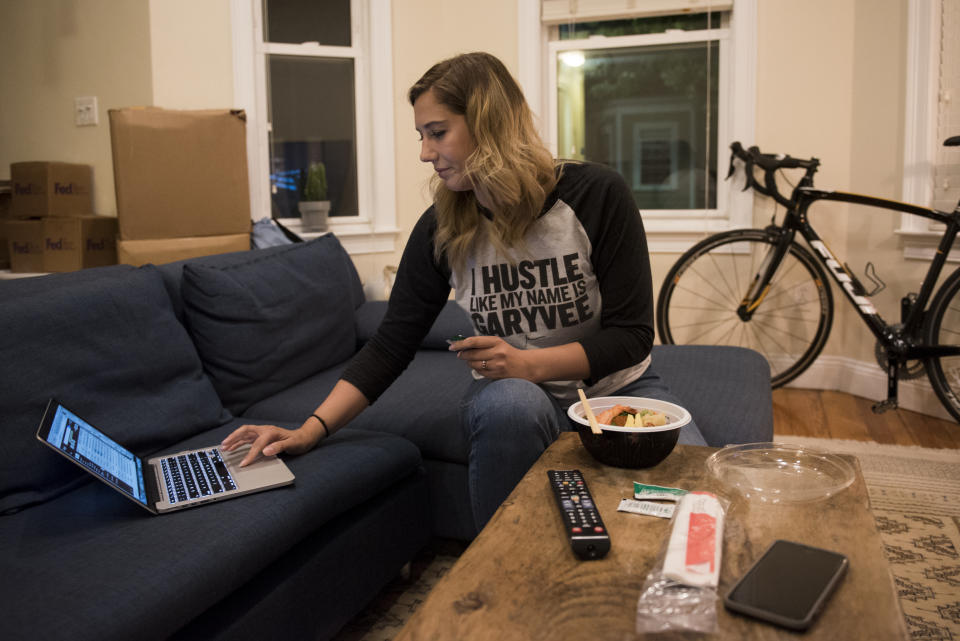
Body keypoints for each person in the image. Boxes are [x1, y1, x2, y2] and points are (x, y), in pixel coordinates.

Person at [221, 51, 705, 531]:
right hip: (519, 398)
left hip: (616, 392)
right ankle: (501, 574)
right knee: (511, 400)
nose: (425, 153)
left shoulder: (596, 194)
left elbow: (631, 336)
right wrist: (309, 430)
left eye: (437, 132)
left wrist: (527, 362)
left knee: (705, 504)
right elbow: (391, 344)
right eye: (421, 136)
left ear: (488, 124)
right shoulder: (441, 227)